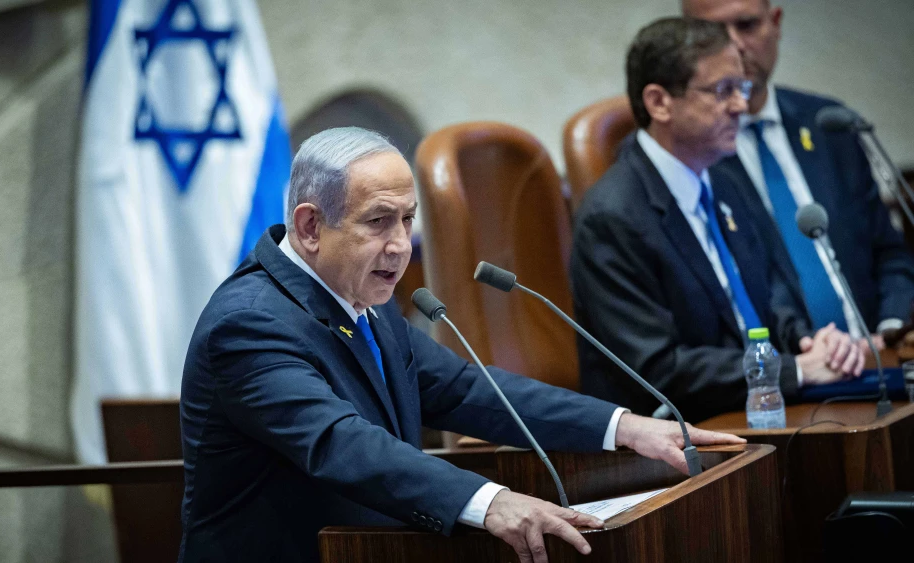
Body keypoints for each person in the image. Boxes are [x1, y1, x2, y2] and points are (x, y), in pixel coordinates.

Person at [178, 126, 743, 563]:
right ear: (309, 227)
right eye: (378, 222)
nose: (400, 246)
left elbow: (470, 390)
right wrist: (490, 501)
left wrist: (629, 427)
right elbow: (338, 442)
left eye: (407, 219)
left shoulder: (361, 297)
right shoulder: (250, 325)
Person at [570, 18, 863, 423]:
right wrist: (793, 370)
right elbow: (659, 368)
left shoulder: (724, 181)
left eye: (741, 88)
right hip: (672, 440)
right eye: (723, 91)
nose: (742, 106)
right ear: (659, 102)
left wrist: (808, 341)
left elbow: (770, 293)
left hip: (751, 409)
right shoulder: (612, 218)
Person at [682, 0, 914, 347]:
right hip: (785, 377)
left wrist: (890, 330)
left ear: (774, 23)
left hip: (881, 355)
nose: (735, 46)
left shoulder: (829, 123)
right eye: (715, 33)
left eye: (746, 25)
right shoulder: (689, 151)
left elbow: (888, 252)